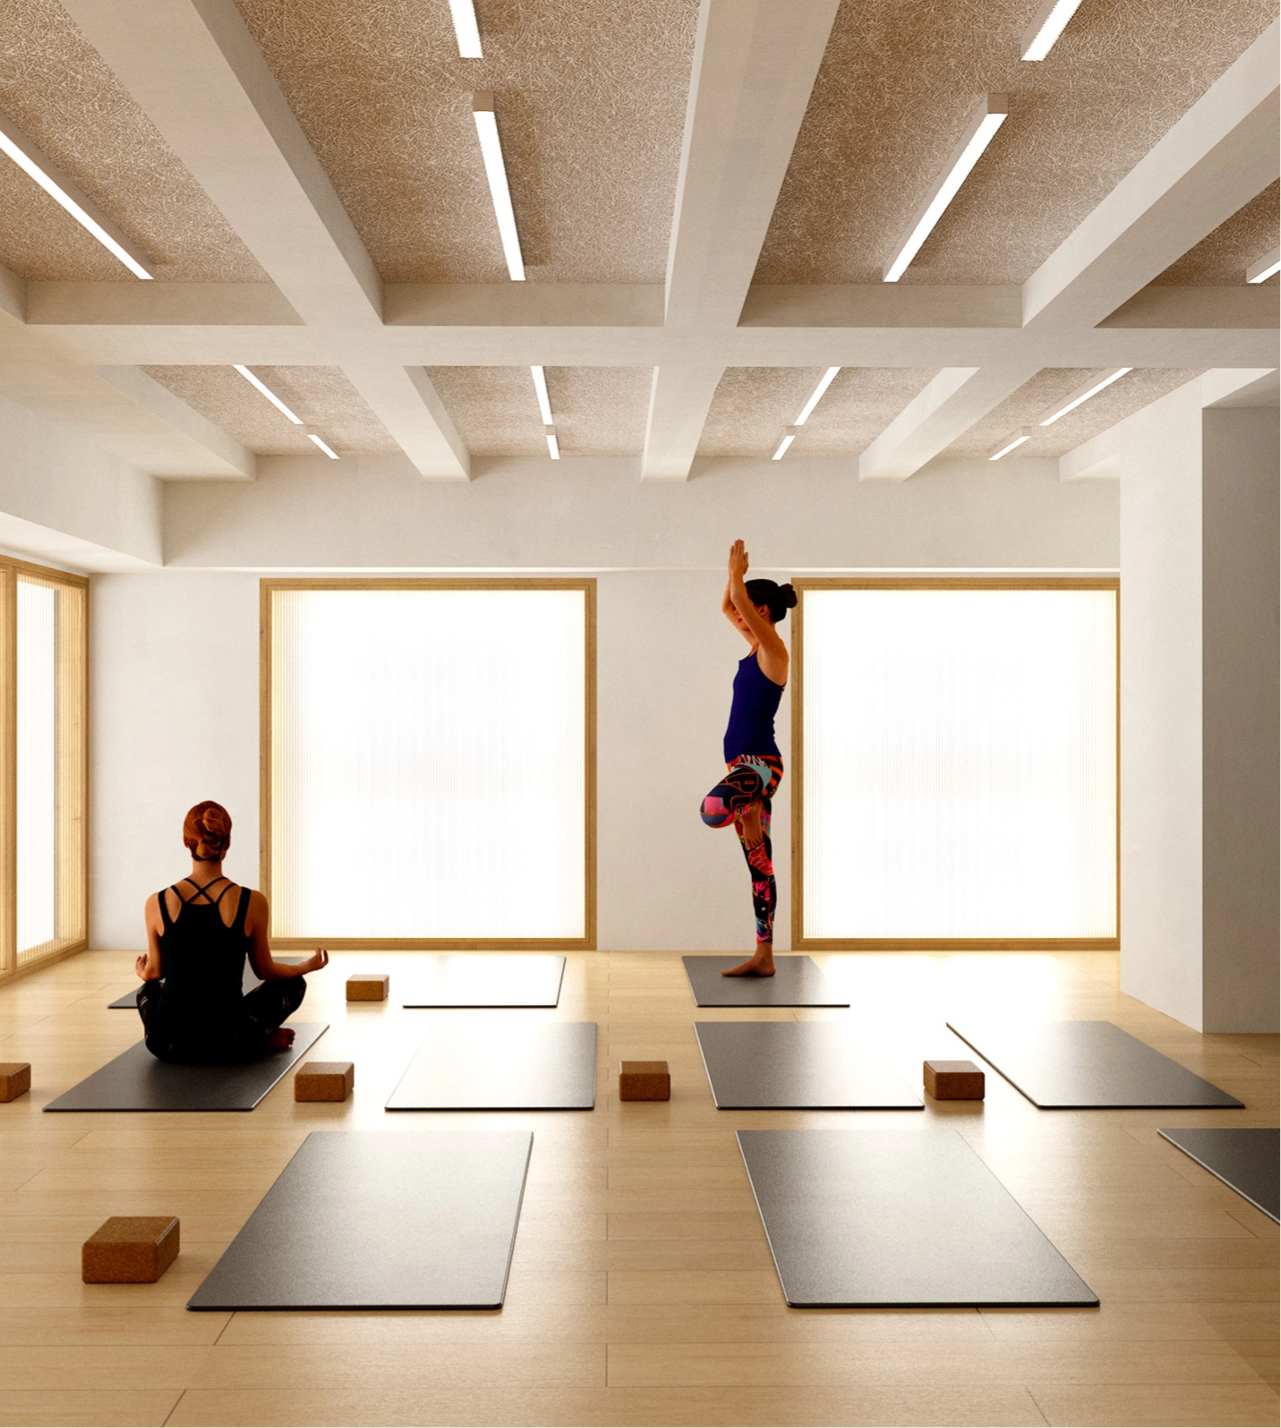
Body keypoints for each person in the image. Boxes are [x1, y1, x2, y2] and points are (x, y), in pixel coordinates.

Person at [134, 800, 328, 1063]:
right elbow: (265, 970)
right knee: (294, 983)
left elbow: (155, 972)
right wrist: (305, 966)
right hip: (231, 1040)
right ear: (227, 843)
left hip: (167, 1043)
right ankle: (260, 1036)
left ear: (186, 843)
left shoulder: (156, 902)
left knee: (147, 990)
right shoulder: (253, 901)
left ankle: (255, 1037)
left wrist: (143, 971)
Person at [701, 540, 796, 975]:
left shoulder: (775, 649)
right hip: (741, 769)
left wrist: (736, 573)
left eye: (748, 612)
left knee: (713, 809)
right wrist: (732, 579)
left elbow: (736, 602)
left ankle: (750, 807)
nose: (738, 618)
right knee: (759, 867)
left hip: (760, 766)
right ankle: (764, 957)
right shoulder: (757, 648)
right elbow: (728, 605)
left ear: (763, 611)